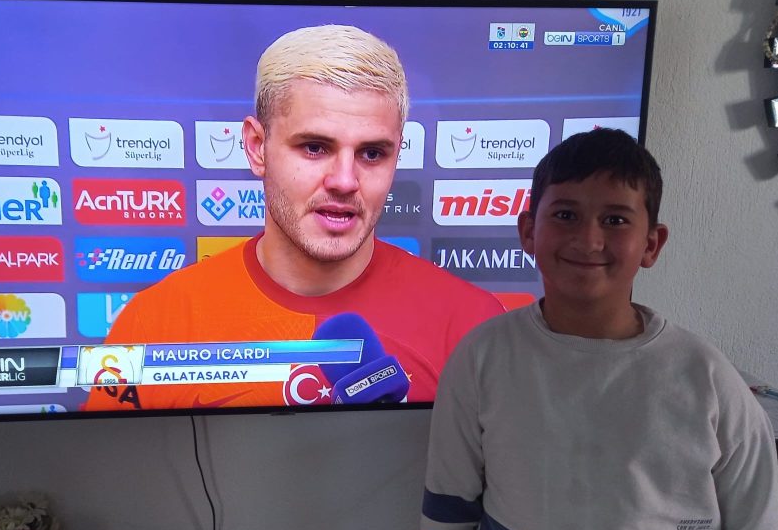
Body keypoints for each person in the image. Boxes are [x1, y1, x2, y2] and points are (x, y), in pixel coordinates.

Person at [418, 128, 778, 530]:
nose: (588, 239)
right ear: (528, 231)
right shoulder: (480, 359)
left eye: (615, 219)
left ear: (652, 244)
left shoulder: (711, 383)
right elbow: (447, 514)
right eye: (565, 215)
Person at [83, 24, 504, 411]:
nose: (345, 181)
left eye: (372, 153)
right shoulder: (154, 322)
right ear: (256, 147)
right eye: (314, 147)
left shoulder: (472, 324)